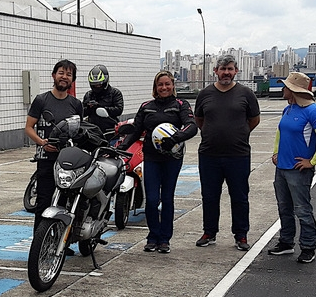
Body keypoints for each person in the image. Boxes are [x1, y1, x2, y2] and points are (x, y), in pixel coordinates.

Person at [122, 71, 197, 253]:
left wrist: (176, 137)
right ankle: (152, 236)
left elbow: (192, 125)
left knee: (167, 198)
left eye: (167, 84)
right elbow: (135, 130)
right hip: (151, 158)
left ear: (173, 85)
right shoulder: (146, 106)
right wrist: (122, 146)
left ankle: (164, 239)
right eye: (160, 85)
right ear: (155, 88)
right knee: (152, 199)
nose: (164, 88)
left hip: (172, 158)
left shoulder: (181, 104)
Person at [193, 55, 261, 250]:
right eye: (223, 69)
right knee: (210, 196)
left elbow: (254, 119)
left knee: (239, 196)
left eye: (230, 69)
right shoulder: (205, 94)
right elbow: (199, 120)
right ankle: (209, 232)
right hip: (209, 155)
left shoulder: (246, 94)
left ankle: (241, 236)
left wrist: (239, 133)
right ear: (215, 71)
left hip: (238, 155)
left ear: (236, 71)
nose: (226, 73)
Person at [268, 72, 316, 264]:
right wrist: (276, 152)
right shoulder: (288, 109)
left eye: (286, 86)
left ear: (293, 90)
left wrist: (312, 162)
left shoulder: (312, 111)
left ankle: (308, 246)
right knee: (284, 207)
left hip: (298, 170)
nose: (283, 89)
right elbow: (281, 132)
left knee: (302, 209)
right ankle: (286, 242)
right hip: (282, 167)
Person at [25, 59, 84, 234]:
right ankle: (39, 243)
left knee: (65, 204)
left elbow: (79, 131)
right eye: (61, 73)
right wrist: (42, 143)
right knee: (43, 202)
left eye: (68, 74)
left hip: (68, 163)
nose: (64, 77)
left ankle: (60, 244)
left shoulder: (76, 104)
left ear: (72, 79)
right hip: (46, 160)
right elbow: (29, 128)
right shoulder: (41, 100)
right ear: (53, 75)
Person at [82, 65, 124, 136]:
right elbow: (82, 112)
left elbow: (118, 110)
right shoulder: (89, 95)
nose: (97, 87)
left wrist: (101, 107)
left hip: (110, 130)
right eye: (94, 85)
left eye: (99, 85)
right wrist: (90, 108)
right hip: (93, 131)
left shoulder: (115, 93)